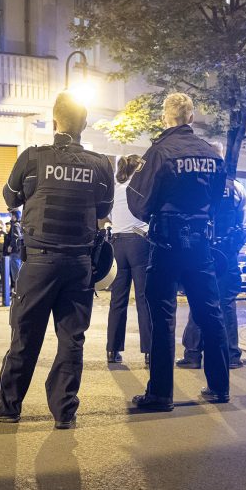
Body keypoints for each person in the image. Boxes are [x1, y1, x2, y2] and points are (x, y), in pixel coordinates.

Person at [0, 91, 114, 429]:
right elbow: (104, 209)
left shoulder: (33, 159)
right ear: (84, 125)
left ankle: (8, 406)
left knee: (25, 334)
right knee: (72, 339)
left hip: (40, 262)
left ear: (55, 122)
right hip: (80, 263)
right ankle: (65, 411)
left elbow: (9, 196)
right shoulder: (100, 165)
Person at [127, 92, 230, 411]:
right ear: (191, 117)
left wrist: (157, 215)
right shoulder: (211, 154)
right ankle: (219, 386)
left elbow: (138, 200)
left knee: (162, 314)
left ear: (165, 118)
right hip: (201, 243)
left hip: (167, 241)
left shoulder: (159, 151)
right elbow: (219, 199)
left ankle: (160, 394)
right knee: (210, 311)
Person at [177, 143, 246, 370]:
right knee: (226, 303)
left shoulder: (197, 186)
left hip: (202, 251)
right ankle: (231, 355)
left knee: (198, 300)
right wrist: (234, 247)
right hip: (227, 255)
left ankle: (192, 354)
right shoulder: (237, 188)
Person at [106, 154, 152, 367]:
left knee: (118, 299)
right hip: (139, 242)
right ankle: (149, 352)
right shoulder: (140, 189)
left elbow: (107, 216)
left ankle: (112, 349)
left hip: (117, 244)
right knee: (144, 299)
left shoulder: (115, 189)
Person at [4, 210, 23, 291]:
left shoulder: (15, 225)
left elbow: (16, 237)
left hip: (15, 251)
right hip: (19, 251)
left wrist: (11, 246)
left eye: (12, 215)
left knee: (15, 273)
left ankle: (17, 291)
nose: (11, 217)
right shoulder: (19, 224)